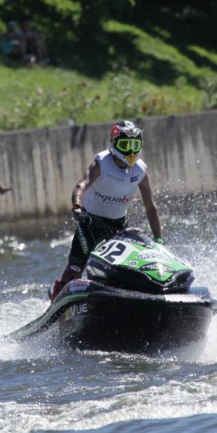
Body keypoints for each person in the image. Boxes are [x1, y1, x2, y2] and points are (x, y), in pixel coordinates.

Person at [49, 120, 162, 300]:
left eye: (135, 145)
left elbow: (151, 207)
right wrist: (77, 207)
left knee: (121, 268)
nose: (131, 151)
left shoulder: (140, 169)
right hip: (90, 224)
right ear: (115, 144)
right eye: (126, 145)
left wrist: (159, 240)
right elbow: (80, 186)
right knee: (75, 269)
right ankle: (57, 303)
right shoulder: (102, 163)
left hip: (118, 228)